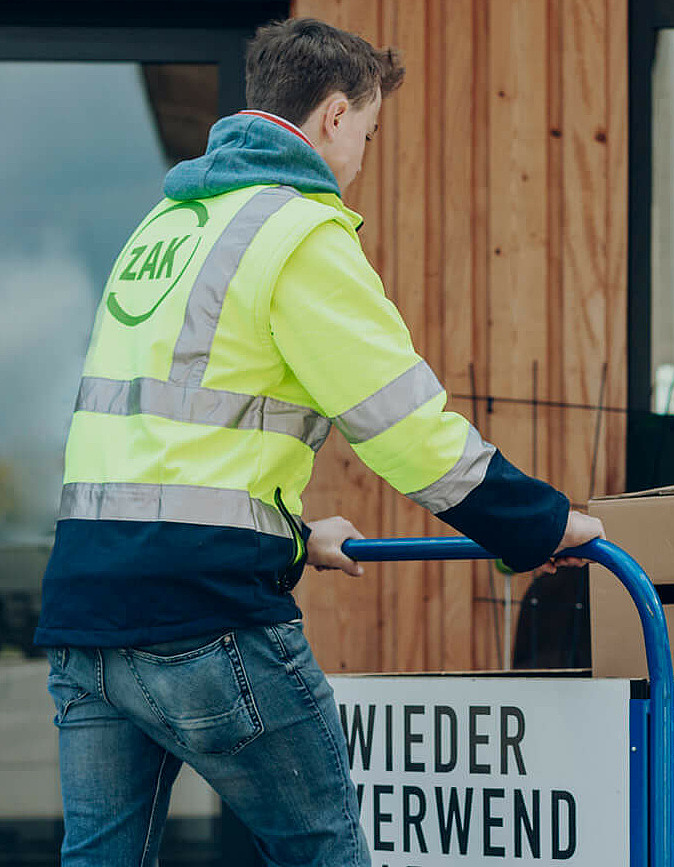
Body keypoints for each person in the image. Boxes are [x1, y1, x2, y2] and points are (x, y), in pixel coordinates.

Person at [34, 18, 603, 866]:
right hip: (205, 618)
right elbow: (406, 429)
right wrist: (541, 524)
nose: (363, 158)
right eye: (369, 133)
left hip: (87, 617)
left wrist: (297, 539)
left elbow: (161, 458)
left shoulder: (166, 229)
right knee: (326, 851)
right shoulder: (297, 231)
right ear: (335, 116)